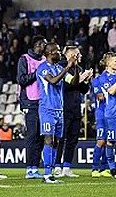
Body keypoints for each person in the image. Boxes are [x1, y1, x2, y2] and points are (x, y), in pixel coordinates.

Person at [36, 42, 78, 184]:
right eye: (58, 51)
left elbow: (73, 82)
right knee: (49, 139)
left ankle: (51, 172)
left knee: (56, 142)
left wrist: (75, 68)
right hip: (47, 109)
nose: (60, 53)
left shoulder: (58, 67)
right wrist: (68, 67)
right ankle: (47, 174)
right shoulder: (42, 68)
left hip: (59, 110)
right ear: (50, 53)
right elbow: (53, 81)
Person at [54, 46, 93, 178]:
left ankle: (66, 167)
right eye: (78, 54)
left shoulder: (79, 69)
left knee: (73, 139)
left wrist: (87, 79)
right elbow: (66, 85)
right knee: (61, 139)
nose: (80, 56)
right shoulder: (60, 68)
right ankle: (57, 166)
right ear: (71, 55)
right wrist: (80, 78)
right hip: (64, 109)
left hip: (76, 109)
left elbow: (83, 90)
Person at [17, 36, 47, 179]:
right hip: (30, 101)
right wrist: (37, 73)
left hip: (43, 102)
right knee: (32, 135)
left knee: (41, 136)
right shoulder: (24, 59)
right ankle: (30, 168)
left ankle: (35, 166)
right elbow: (21, 80)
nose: (46, 48)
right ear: (38, 45)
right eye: (44, 45)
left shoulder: (44, 61)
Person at [91, 60, 109, 177]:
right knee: (101, 141)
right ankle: (94, 168)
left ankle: (104, 168)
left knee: (109, 142)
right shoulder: (97, 80)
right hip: (102, 113)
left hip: (112, 114)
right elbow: (101, 97)